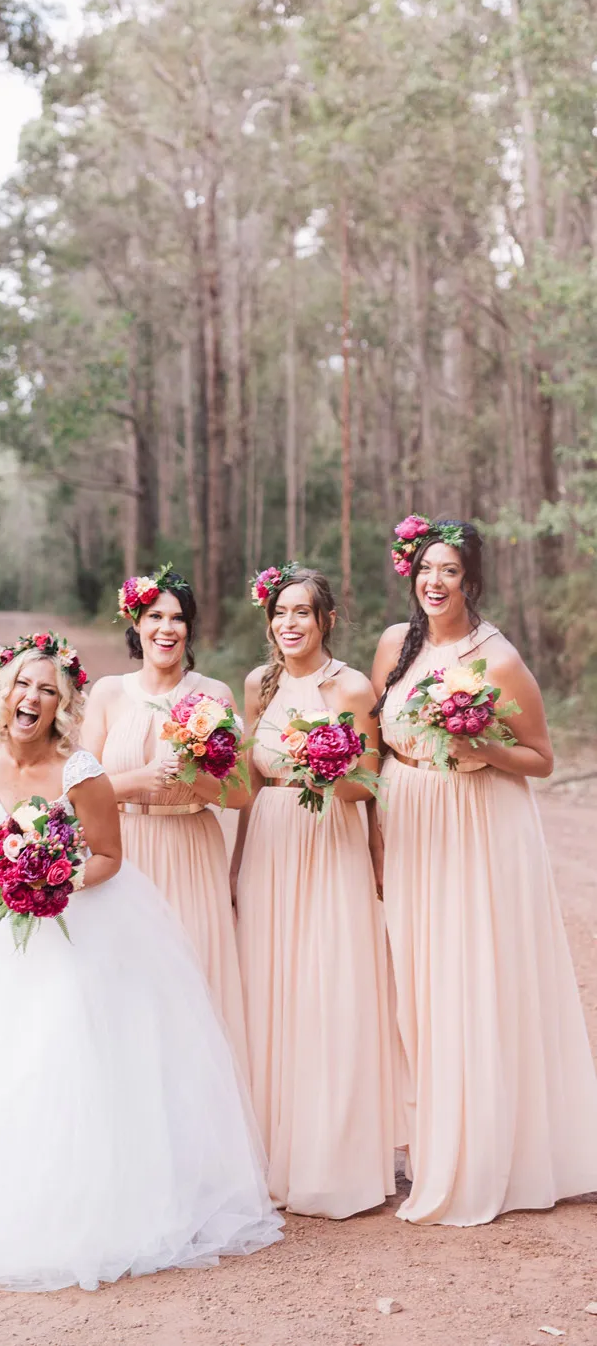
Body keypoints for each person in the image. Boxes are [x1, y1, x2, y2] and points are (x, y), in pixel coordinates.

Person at [0, 633, 282, 1290]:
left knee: (62, 1055)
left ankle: (83, 1209)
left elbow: (108, 855)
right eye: (25, 684)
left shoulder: (81, 770)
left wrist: (56, 883)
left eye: (48, 690)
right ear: (6, 690)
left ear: (61, 703)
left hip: (72, 924)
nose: (33, 697)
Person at [371, 514, 597, 1225]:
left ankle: (487, 1149)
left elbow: (540, 758)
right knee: (415, 980)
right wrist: (375, 836)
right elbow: (378, 744)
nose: (435, 583)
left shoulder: (495, 658)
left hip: (477, 823)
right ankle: (427, 1139)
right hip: (408, 817)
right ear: (411, 573)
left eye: (450, 572)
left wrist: (479, 746)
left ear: (470, 582)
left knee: (470, 974)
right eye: (426, 570)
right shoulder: (391, 647)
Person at [230, 563, 394, 1218]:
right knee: (272, 992)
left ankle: (332, 1161)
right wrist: (236, 862)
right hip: (271, 843)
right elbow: (246, 788)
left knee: (329, 992)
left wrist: (325, 773)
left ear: (327, 620)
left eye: (302, 612)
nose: (289, 624)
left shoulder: (350, 686)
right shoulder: (258, 685)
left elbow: (370, 784)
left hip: (330, 845)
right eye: (280, 613)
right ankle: (271, 1154)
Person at [81, 565, 249, 1065]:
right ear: (136, 622)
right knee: (126, 988)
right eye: (156, 616)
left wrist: (191, 779)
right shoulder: (109, 693)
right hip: (124, 851)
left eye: (178, 619)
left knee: (191, 986)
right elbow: (78, 792)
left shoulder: (214, 694)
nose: (167, 629)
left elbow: (239, 795)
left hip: (190, 848)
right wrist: (141, 780)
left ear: (190, 629)